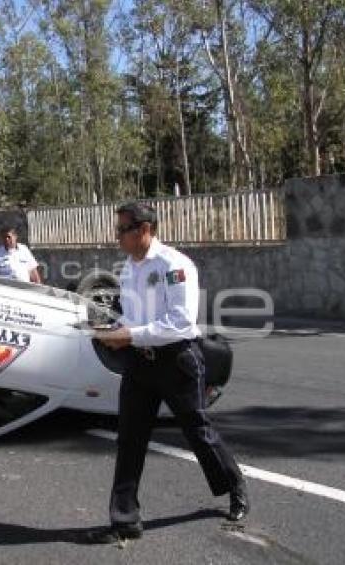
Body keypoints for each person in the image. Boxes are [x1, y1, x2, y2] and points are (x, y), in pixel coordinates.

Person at [87, 202, 248, 544]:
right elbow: (132, 316)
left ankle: (235, 486)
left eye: (122, 230)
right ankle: (124, 519)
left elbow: (180, 322)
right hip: (140, 363)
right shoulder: (129, 268)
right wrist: (110, 328)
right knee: (129, 438)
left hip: (176, 361)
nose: (117, 237)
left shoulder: (175, 266)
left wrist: (128, 334)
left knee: (198, 431)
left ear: (144, 230)